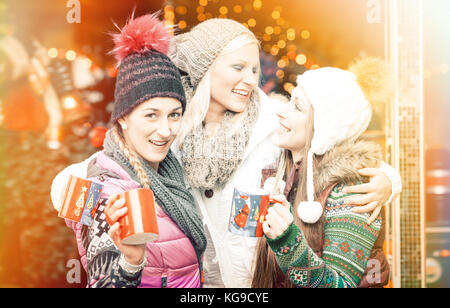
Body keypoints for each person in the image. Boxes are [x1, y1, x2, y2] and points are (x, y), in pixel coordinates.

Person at [51, 18, 401, 288]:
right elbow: (115, 160)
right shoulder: (173, 125)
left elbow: (329, 140)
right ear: (206, 67)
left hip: (258, 279)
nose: (250, 79)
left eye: (253, 68)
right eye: (238, 67)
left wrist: (388, 179)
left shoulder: (272, 119)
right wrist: (71, 182)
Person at [54, 13, 206, 288]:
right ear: (123, 118)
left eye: (174, 114)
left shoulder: (172, 171)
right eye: (151, 115)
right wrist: (131, 263)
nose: (166, 130)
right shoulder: (100, 192)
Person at [253, 58, 393, 288]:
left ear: (325, 127)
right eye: (289, 100)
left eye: (297, 106)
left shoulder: (352, 192)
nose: (282, 112)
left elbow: (341, 285)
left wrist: (286, 241)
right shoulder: (285, 172)